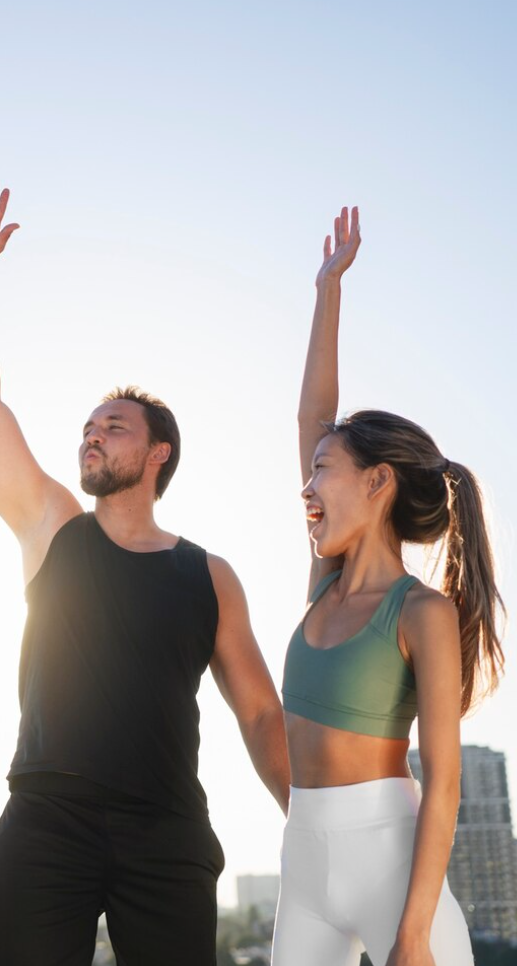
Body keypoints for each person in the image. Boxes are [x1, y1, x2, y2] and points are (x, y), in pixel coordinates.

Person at [0, 181, 292, 965]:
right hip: (47, 817)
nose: (92, 437)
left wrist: (305, 824)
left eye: (114, 427)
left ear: (158, 453)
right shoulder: (52, 527)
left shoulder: (210, 575)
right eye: (88, 428)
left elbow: (262, 718)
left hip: (167, 830)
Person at [273, 206, 504, 966]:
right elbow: (313, 414)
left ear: (376, 482)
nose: (306, 486)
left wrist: (411, 934)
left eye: (322, 471)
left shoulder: (422, 613)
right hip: (302, 855)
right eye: (308, 470)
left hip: (391, 857)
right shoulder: (324, 584)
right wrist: (327, 290)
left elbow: (444, 783)